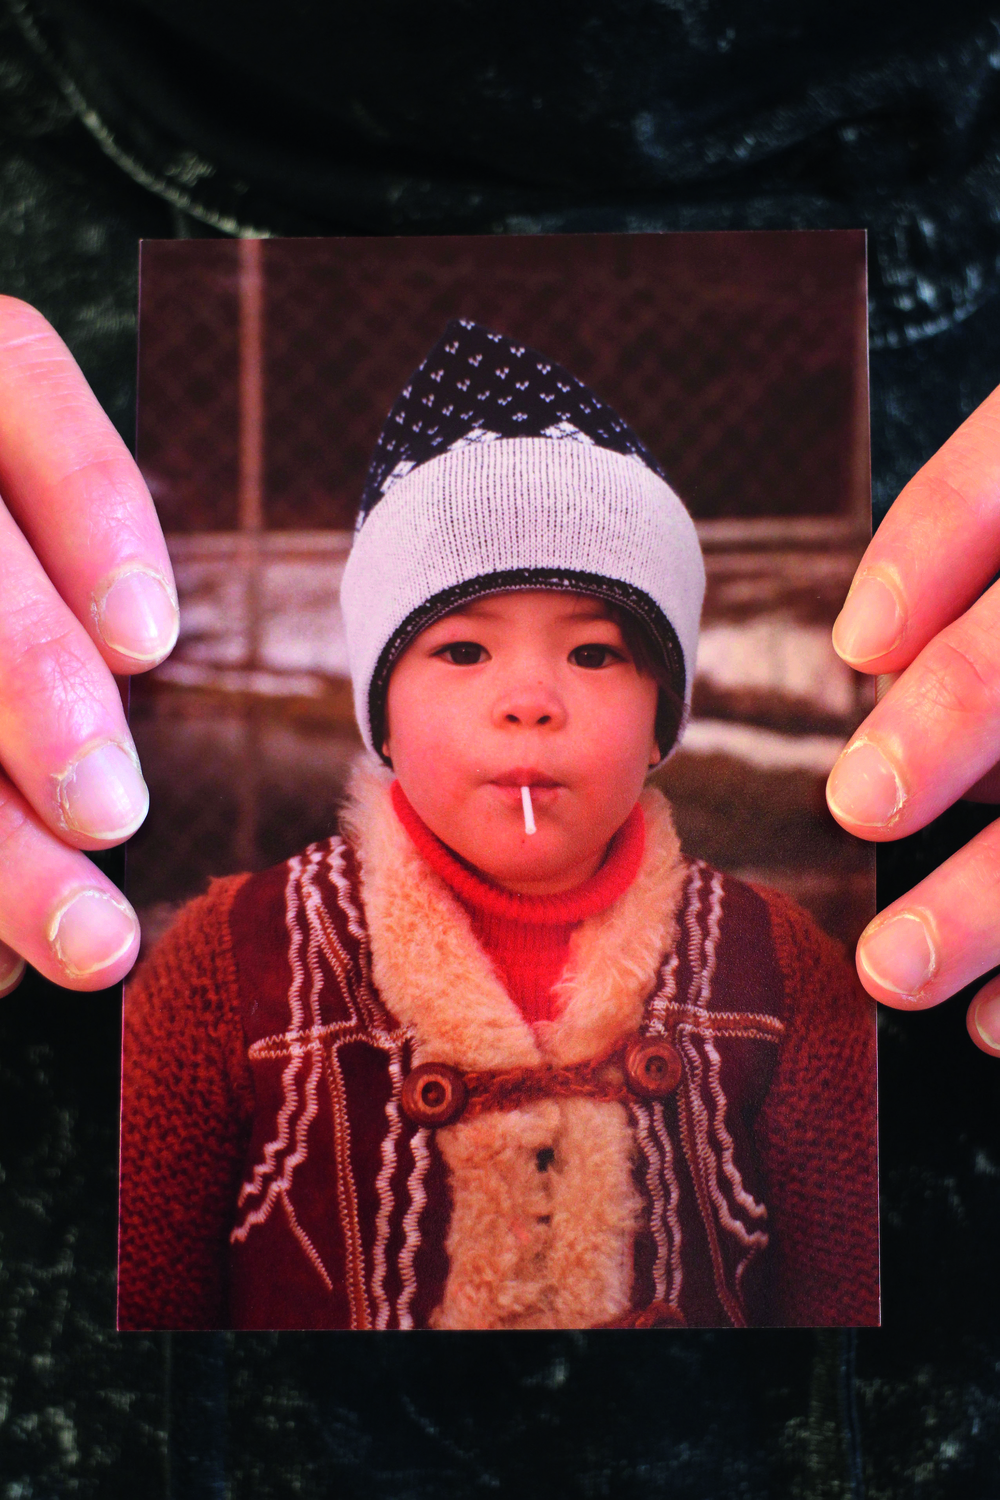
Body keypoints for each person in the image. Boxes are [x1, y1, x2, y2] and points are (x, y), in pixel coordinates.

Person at [116, 320, 877, 1330]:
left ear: (664, 713)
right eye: (463, 651)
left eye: (595, 655)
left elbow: (848, 1329)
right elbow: (144, 1338)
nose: (529, 699)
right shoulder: (224, 971)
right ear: (380, 710)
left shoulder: (779, 972)